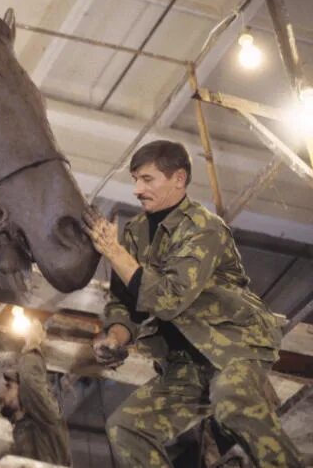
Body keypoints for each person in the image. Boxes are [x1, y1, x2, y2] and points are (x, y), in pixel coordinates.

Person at [81, 140, 302, 468]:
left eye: (147, 179)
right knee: (126, 427)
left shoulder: (203, 227)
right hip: (184, 365)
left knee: (232, 399)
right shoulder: (135, 234)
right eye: (135, 180)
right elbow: (125, 305)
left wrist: (114, 253)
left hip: (233, 348)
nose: (137, 190)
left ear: (179, 179)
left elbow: (170, 299)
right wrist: (115, 337)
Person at [0, 320, 72, 466]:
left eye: (9, 386)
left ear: (24, 392)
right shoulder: (19, 431)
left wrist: (33, 342)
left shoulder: (47, 419)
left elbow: (30, 380)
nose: (2, 394)